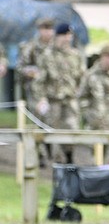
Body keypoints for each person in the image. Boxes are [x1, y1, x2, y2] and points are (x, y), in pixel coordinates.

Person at [31, 23, 86, 165]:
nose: (67, 39)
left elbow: (82, 77)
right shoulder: (47, 55)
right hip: (54, 100)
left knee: (72, 129)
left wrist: (80, 91)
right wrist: (41, 99)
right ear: (58, 36)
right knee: (53, 131)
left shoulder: (75, 55)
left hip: (70, 100)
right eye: (64, 36)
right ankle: (57, 162)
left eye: (69, 36)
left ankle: (69, 157)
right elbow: (39, 80)